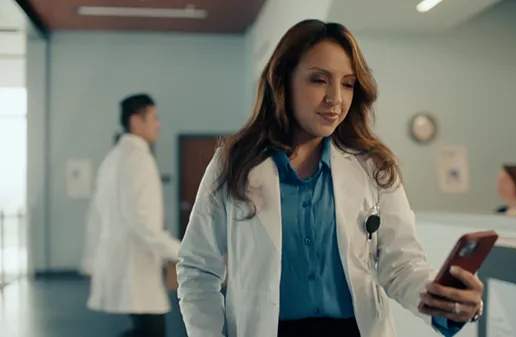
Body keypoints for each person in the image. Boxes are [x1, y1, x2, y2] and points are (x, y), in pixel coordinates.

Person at [176, 20, 484, 337]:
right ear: (283, 81)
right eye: (319, 80)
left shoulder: (373, 166)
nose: (335, 98)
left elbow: (401, 266)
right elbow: (198, 268)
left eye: (348, 84)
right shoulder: (234, 163)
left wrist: (444, 300)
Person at [85, 94, 181, 337]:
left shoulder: (114, 158)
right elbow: (143, 224)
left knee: (145, 329)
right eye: (153, 118)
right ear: (135, 122)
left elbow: (97, 216)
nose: (158, 124)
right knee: (151, 331)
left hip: (123, 263)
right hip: (135, 268)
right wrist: (182, 252)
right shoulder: (138, 159)